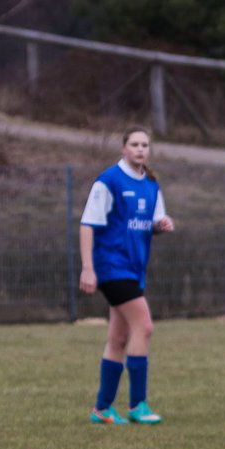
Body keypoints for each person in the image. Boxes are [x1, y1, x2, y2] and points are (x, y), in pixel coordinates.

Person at [80, 126, 174, 425]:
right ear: (123, 148)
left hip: (134, 269)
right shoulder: (109, 181)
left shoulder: (151, 186)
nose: (140, 149)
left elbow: (150, 223)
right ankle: (137, 405)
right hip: (111, 267)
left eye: (145, 144)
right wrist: (88, 267)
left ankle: (102, 409)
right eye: (134, 144)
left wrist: (161, 226)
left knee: (119, 336)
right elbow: (87, 225)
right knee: (144, 327)